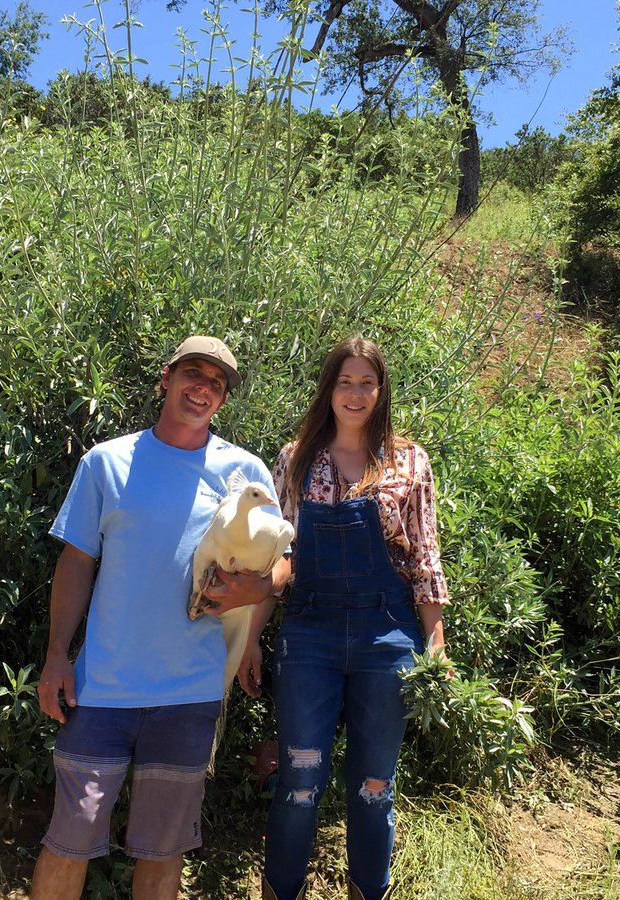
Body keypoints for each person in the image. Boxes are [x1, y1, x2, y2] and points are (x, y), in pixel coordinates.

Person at [31, 336, 292, 900]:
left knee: (163, 852)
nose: (202, 389)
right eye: (193, 374)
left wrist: (258, 590)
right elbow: (76, 563)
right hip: (102, 689)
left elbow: (284, 562)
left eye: (216, 384)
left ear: (222, 400)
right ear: (166, 378)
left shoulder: (242, 470)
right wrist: (56, 657)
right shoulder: (106, 461)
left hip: (190, 692)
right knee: (67, 841)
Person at [239, 336, 450, 900]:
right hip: (310, 635)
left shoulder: (409, 460)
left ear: (381, 391)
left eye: (367, 382)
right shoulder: (295, 458)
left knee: (375, 787)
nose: (355, 393)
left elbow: (425, 556)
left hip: (388, 637)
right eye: (344, 381)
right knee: (298, 781)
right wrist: (253, 638)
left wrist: (435, 641)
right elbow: (280, 555)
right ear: (328, 388)